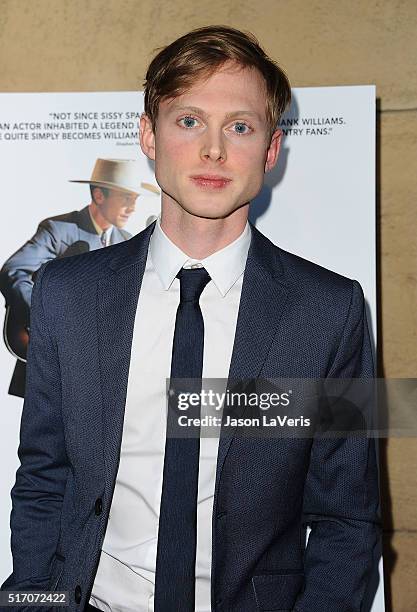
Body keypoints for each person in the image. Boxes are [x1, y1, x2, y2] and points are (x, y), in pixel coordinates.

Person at [1, 25, 381, 612]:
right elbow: (44, 480)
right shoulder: (67, 295)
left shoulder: (330, 312)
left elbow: (347, 520)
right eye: (188, 121)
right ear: (148, 137)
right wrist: (36, 601)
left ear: (271, 150)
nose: (214, 150)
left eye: (240, 126)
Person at [0, 158, 151, 398]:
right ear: (99, 196)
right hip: (50, 363)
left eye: (135, 200)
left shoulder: (127, 241)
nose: (132, 208)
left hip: (101, 369)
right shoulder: (59, 230)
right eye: (125, 198)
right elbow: (15, 271)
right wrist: (48, 322)